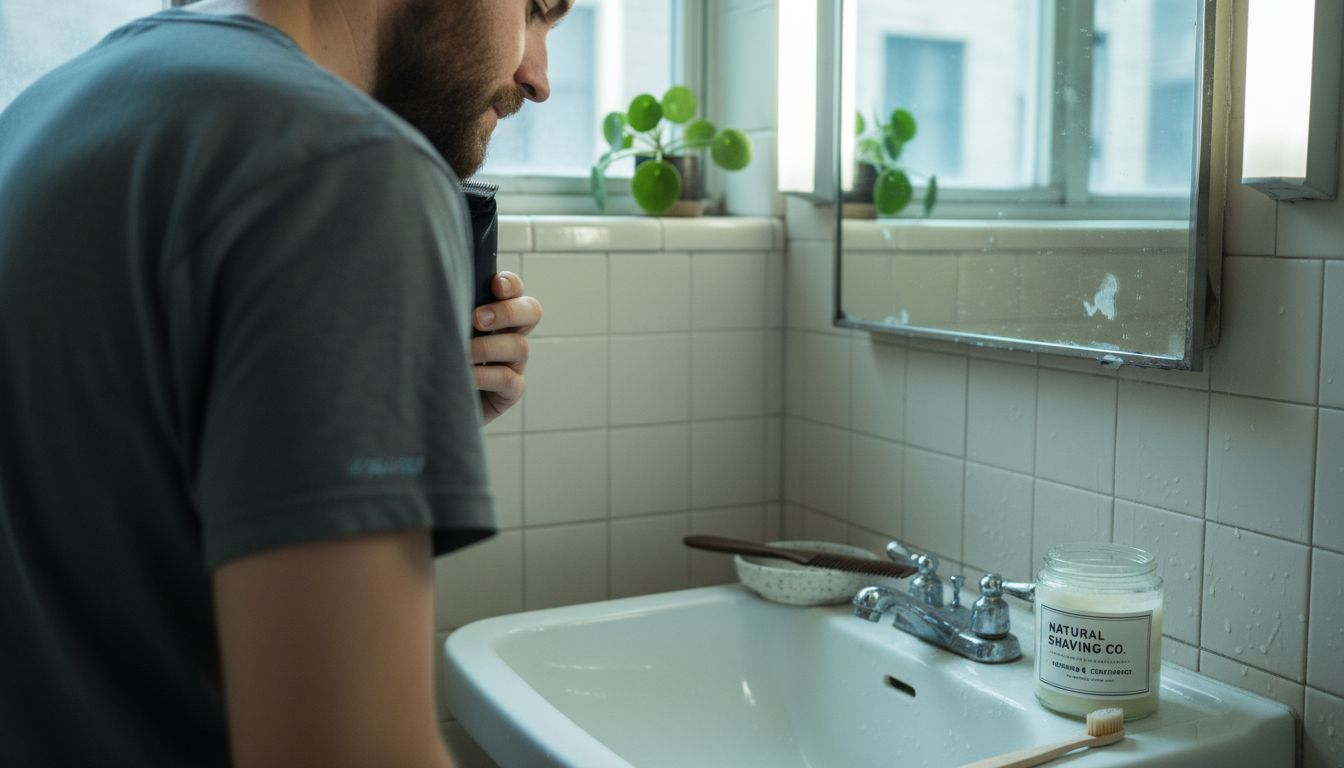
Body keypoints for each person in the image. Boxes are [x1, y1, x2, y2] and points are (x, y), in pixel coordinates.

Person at [0, 1, 568, 765]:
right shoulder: (348, 163)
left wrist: (395, 407)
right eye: (534, 9)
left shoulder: (43, 115)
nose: (537, 77)